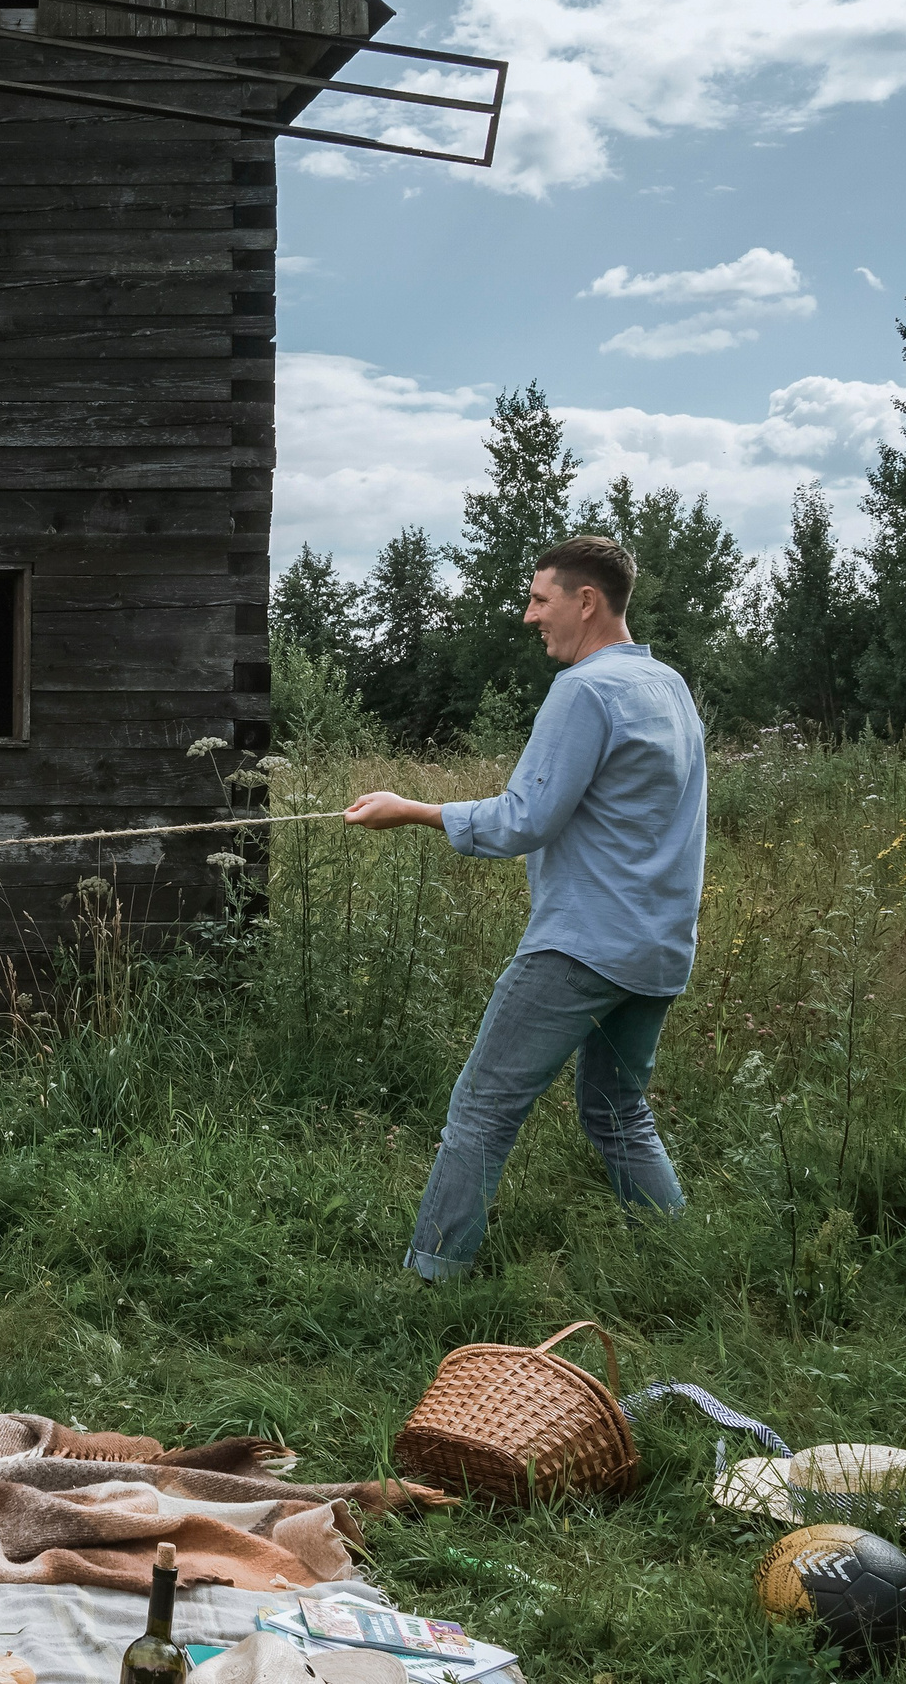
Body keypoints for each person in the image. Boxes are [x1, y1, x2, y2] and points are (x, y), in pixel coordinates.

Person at [344, 537, 705, 1281]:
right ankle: (683, 1265)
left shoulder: (586, 690)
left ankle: (429, 1280)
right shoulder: (668, 685)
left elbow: (525, 819)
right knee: (616, 1111)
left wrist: (412, 808)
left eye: (540, 599)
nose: (528, 615)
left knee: (482, 1109)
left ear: (586, 601)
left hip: (583, 945)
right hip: (659, 947)